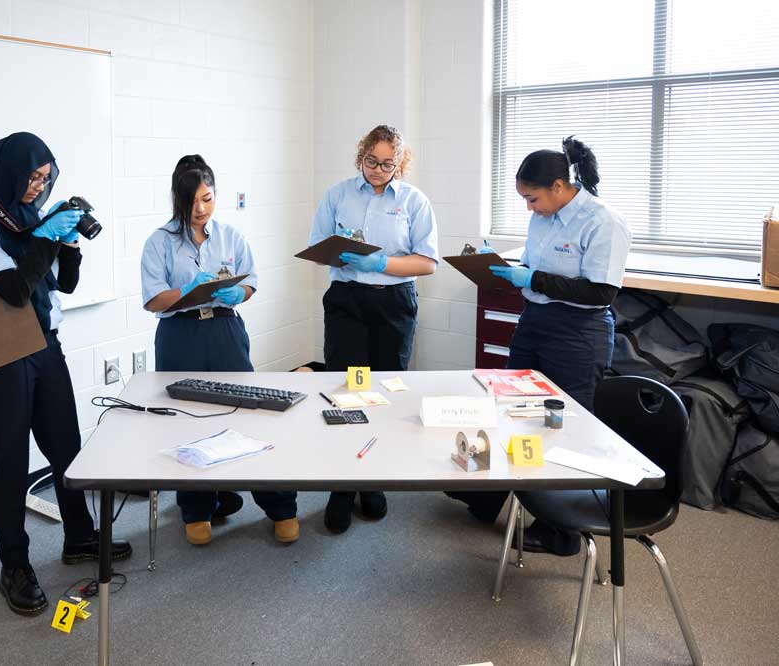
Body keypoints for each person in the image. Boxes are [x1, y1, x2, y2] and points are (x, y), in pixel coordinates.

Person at [0, 132, 132, 616]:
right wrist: (46, 236)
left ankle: (79, 537)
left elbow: (63, 284)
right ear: (8, 174)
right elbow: (14, 292)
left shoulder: (34, 221)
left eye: (45, 179)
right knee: (12, 459)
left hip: (46, 346)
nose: (36, 187)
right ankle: (14, 566)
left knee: (67, 445)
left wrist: (66, 239)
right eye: (30, 177)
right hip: (5, 355)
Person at [451, 135, 631, 556]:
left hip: (578, 330)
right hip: (535, 321)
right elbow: (539, 269)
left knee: (562, 425)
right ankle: (487, 496)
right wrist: (503, 268)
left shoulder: (603, 222)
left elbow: (601, 291)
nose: (528, 208)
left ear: (558, 186)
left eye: (532, 199)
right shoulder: (544, 217)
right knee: (511, 408)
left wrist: (529, 279)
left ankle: (561, 531)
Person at [140, 154, 299, 546]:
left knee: (250, 414)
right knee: (188, 420)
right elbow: (153, 301)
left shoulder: (231, 236)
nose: (200, 209)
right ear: (177, 198)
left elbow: (250, 283)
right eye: (192, 201)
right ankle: (197, 510)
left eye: (208, 199)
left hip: (226, 329)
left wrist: (238, 292)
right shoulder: (158, 242)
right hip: (180, 333)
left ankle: (280, 506)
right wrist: (187, 291)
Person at [308, 125, 438, 533]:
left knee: (383, 392)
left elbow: (427, 263)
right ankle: (342, 486)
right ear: (360, 155)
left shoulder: (414, 201)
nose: (379, 170)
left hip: (393, 304)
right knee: (349, 391)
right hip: (347, 301)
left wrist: (381, 263)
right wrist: (339, 252)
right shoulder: (338, 195)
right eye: (371, 161)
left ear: (401, 162)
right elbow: (316, 249)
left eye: (388, 163)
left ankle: (374, 481)